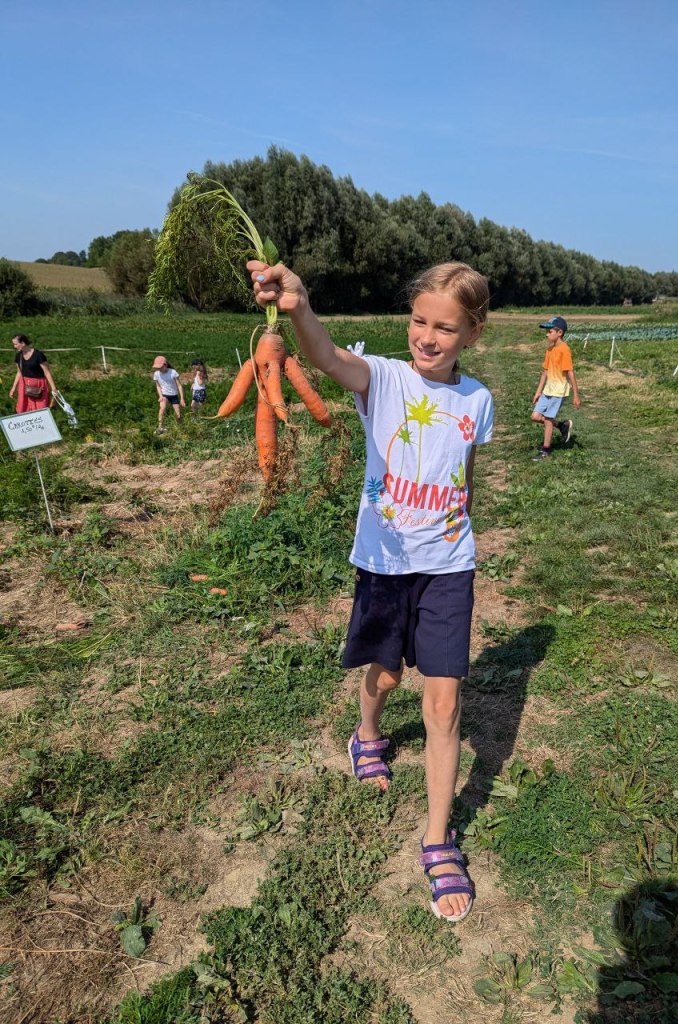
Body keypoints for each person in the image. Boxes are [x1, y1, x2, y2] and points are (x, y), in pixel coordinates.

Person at [248, 258, 494, 923]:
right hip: (385, 565)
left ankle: (439, 838)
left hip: (449, 566)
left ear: (472, 332)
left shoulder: (478, 400)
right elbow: (326, 357)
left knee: (443, 705)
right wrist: (297, 306)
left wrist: (457, 527)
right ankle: (367, 734)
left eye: (445, 327)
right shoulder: (382, 378)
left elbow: (466, 474)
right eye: (419, 320)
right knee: (384, 678)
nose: (427, 336)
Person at [531, 315, 581, 461]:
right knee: (535, 416)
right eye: (546, 331)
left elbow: (570, 373)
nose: (547, 334)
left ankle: (545, 451)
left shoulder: (564, 350)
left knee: (547, 420)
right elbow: (545, 372)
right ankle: (561, 425)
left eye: (549, 331)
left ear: (560, 333)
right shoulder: (549, 350)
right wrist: (538, 391)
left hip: (559, 391)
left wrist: (576, 395)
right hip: (548, 390)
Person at [9, 334, 57, 414]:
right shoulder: (18, 356)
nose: (14, 346)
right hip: (24, 385)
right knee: (23, 408)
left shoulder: (38, 355)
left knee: (41, 409)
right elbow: (19, 372)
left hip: (39, 386)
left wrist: (54, 389)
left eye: (16, 344)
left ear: (23, 343)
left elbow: (47, 372)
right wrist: (13, 388)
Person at [152, 355, 185, 433]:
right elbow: (158, 386)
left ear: (165, 364)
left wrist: (182, 398)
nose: (159, 369)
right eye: (157, 368)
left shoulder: (173, 372)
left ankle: (179, 429)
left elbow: (179, 386)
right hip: (164, 395)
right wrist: (160, 396)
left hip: (174, 396)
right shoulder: (156, 374)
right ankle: (160, 427)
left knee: (178, 415)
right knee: (162, 409)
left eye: (160, 367)